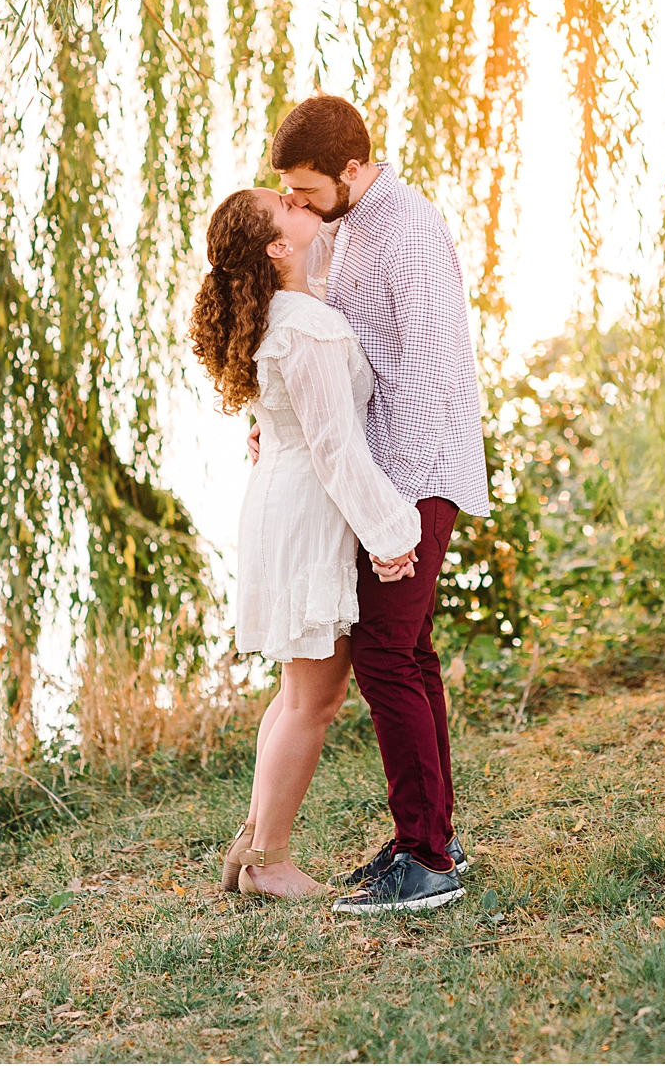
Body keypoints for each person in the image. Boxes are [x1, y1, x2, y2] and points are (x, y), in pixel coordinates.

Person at [263, 91, 489, 914]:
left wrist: (391, 513)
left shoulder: (411, 233)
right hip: (392, 482)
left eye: (306, 189)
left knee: (388, 659)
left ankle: (426, 860)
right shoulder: (354, 228)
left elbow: (427, 384)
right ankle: (428, 838)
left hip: (414, 477)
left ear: (352, 169)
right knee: (412, 657)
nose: (294, 203)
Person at [192, 189, 423, 903]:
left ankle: (251, 842)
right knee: (312, 703)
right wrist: (392, 532)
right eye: (284, 205)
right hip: (309, 506)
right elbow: (335, 445)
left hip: (281, 501)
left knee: (295, 693)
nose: (297, 200)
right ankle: (269, 860)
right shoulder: (309, 326)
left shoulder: (282, 315)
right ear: (277, 248)